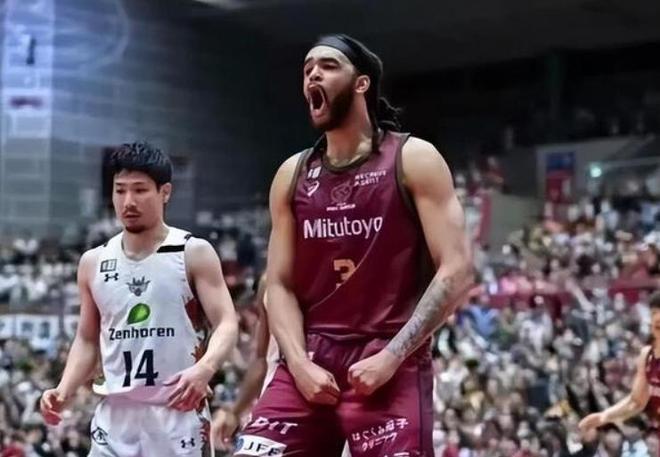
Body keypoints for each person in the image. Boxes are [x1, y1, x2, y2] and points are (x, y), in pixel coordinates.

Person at [234, 34, 473, 457]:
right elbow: (278, 284)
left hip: (388, 356)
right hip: (310, 358)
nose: (313, 75)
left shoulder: (413, 158)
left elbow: (457, 270)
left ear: (362, 83)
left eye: (327, 66)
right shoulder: (292, 174)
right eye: (307, 69)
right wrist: (299, 364)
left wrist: (393, 356)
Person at [40, 141, 238, 456]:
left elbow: (227, 322)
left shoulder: (193, 252)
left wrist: (206, 368)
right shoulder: (93, 261)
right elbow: (87, 339)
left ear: (165, 192)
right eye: (120, 190)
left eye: (140, 190)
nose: (128, 201)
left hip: (177, 415)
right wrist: (64, 389)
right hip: (114, 418)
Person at [579, 292, 660, 437]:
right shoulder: (647, 356)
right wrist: (605, 416)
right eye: (654, 313)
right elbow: (636, 402)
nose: (657, 318)